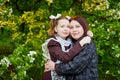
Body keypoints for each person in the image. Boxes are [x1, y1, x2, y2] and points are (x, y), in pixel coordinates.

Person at [45, 15, 99, 80]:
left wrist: (55, 67)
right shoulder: (71, 41)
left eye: (77, 26)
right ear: (56, 29)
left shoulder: (87, 43)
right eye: (71, 27)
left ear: (84, 27)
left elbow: (75, 66)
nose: (74, 30)